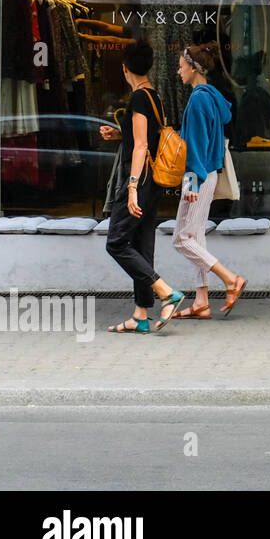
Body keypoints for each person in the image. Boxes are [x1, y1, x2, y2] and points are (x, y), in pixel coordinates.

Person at [98, 38, 185, 332]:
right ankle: (140, 315)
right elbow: (140, 139)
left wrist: (132, 187)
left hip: (140, 178)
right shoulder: (154, 96)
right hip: (154, 180)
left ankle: (166, 293)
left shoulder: (137, 99)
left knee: (116, 242)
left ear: (125, 69)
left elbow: (141, 146)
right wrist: (118, 135)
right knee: (141, 243)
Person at [169, 42, 248, 320]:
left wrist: (190, 182)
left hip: (198, 177)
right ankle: (201, 301)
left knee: (181, 239)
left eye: (181, 66)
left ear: (193, 68)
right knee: (196, 236)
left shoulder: (199, 99)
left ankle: (230, 279)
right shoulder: (212, 97)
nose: (178, 71)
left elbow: (196, 145)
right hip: (208, 174)